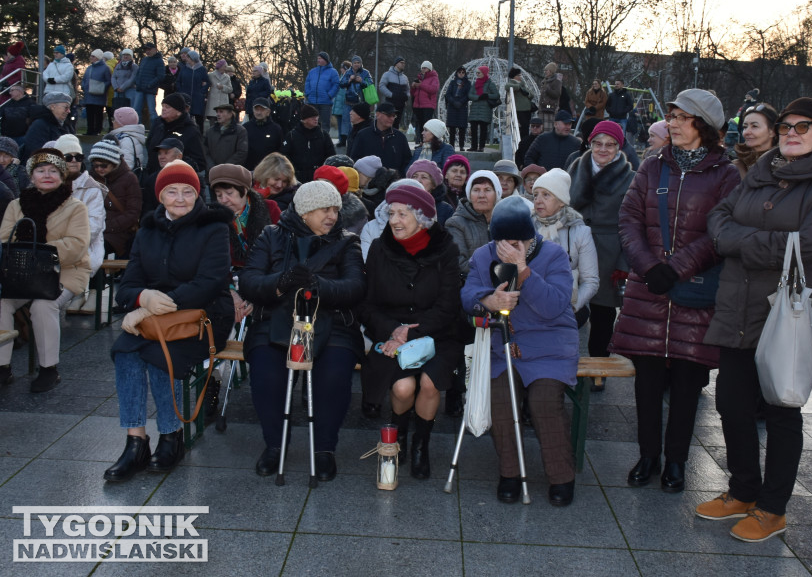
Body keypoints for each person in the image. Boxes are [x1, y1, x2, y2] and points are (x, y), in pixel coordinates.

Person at [698, 97, 812, 542]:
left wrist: (740, 242)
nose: (791, 133)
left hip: (787, 308)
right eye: (786, 126)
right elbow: (717, 218)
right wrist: (760, 240)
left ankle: (773, 508)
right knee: (731, 401)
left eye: (804, 127)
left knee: (782, 408)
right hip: (738, 303)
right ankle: (743, 490)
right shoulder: (763, 170)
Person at [609, 89, 740, 494]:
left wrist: (677, 268)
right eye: (672, 115)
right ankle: (648, 455)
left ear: (704, 125)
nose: (673, 123)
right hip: (649, 289)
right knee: (646, 381)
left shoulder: (726, 174)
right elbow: (628, 219)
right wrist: (649, 267)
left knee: (687, 382)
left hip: (696, 291)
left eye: (683, 117)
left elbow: (722, 231)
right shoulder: (651, 167)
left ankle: (677, 461)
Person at [104, 159, 233, 481]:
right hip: (155, 318)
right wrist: (141, 299)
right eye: (171, 191)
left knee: (159, 356)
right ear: (160, 196)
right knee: (125, 354)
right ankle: (136, 441)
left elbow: (211, 281)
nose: (179, 198)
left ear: (197, 194)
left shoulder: (214, 227)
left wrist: (155, 307)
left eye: (187, 191)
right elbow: (129, 283)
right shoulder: (148, 230)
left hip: (203, 315)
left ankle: (171, 436)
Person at [238, 180, 366, 481]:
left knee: (333, 375)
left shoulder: (347, 241)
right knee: (267, 374)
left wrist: (319, 286)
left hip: (332, 323)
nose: (332, 216)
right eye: (325, 209)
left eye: (335, 209)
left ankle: (324, 448)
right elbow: (249, 281)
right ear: (304, 211)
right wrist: (281, 282)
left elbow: (356, 286)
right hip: (274, 320)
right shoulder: (271, 235)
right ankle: (274, 444)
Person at [461, 196, 579, 506]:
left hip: (549, 344)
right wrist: (488, 301)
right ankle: (510, 473)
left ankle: (561, 476)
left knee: (543, 401)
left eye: (521, 241)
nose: (513, 246)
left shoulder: (554, 255)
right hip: (503, 346)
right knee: (500, 399)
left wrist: (523, 270)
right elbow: (468, 295)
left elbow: (555, 305)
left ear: (532, 236)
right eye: (505, 241)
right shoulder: (482, 256)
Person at [361, 184, 461, 478]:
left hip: (438, 334)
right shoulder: (380, 248)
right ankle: (400, 435)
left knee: (430, 384)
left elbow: (449, 305)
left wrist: (410, 333)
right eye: (391, 213)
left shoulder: (446, 249)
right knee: (403, 388)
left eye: (403, 214)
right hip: (390, 334)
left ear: (422, 218)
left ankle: (421, 443)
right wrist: (393, 330)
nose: (394, 221)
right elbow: (366, 304)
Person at [0, 149, 90, 392]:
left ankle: (49, 369)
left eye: (53, 171)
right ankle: (3, 367)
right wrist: (30, 252)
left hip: (66, 271)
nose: (47, 175)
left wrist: (40, 250)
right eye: (40, 171)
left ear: (62, 175)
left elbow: (77, 245)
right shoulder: (17, 205)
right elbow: (4, 238)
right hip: (24, 272)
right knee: (1, 302)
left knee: (43, 305)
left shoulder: (75, 206)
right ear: (31, 176)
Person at [567, 121, 635, 365]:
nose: (603, 149)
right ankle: (563, 361)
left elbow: (633, 225)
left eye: (610, 144)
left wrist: (624, 262)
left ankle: (599, 365)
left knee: (603, 312)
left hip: (609, 251)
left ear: (619, 147)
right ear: (590, 143)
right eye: (598, 143)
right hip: (574, 244)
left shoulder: (631, 178)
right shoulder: (575, 167)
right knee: (568, 304)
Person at [531, 168, 599, 356]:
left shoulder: (580, 232)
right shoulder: (525, 227)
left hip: (569, 307)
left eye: (546, 195)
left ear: (561, 202)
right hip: (529, 307)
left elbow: (591, 280)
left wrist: (570, 308)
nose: (538, 200)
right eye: (535, 194)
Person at [209, 163, 280, 271]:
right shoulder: (213, 219)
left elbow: (283, 245)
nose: (223, 200)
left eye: (229, 193)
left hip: (268, 274)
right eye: (219, 195)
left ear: (244, 190)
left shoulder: (270, 208)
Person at [55, 135, 107, 280]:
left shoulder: (92, 189)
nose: (73, 161)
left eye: (78, 157)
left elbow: (93, 228)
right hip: (51, 252)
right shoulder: (48, 185)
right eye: (68, 157)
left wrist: (64, 245)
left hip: (83, 252)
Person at [88, 140, 142, 260]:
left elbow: (133, 213)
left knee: (94, 249)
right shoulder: (91, 178)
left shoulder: (129, 179)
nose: (99, 169)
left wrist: (105, 226)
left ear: (113, 163)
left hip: (119, 232)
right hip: (95, 229)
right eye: (95, 165)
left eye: (103, 165)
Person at [446, 170, 501, 277]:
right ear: (469, 195)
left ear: (497, 194)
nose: (481, 195)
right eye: (476, 190)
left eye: (487, 190)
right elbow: (459, 264)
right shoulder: (455, 224)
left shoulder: (506, 221)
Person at [144, 93, 206, 176]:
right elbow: (149, 145)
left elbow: (199, 162)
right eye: (163, 106)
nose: (163, 109)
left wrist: (176, 166)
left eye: (168, 107)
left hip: (176, 179)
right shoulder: (158, 124)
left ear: (179, 111)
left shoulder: (191, 131)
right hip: (153, 177)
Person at [348, 102, 411, 174]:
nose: (392, 118)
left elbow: (407, 161)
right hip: (368, 181)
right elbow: (354, 159)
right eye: (389, 115)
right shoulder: (363, 135)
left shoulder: (400, 137)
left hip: (393, 181)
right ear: (378, 114)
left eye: (394, 116)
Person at [280, 104, 336, 183]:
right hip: (297, 177)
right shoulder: (292, 136)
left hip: (319, 177)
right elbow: (284, 156)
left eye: (317, 117)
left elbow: (331, 155)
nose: (316, 119)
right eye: (312, 117)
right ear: (304, 120)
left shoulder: (323, 135)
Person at [313, 165, 365, 234]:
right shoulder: (308, 207)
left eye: (326, 183)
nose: (321, 186)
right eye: (317, 182)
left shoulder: (354, 213)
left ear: (337, 187)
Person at [22, 91, 71, 161]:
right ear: (52, 107)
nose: (69, 111)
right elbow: (36, 151)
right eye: (66, 107)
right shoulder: (39, 125)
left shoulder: (64, 125)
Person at [733, 103, 779, 179]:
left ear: (772, 131)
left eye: (754, 126)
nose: (746, 132)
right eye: (745, 127)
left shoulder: (785, 167)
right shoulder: (736, 168)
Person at [140, 138, 183, 216]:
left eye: (166, 153)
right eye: (159, 153)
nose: (161, 157)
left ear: (179, 156)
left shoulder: (191, 178)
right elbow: (147, 211)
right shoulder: (152, 180)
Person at [336, 56, 372, 145]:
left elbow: (370, 83)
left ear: (361, 64)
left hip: (361, 101)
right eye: (355, 63)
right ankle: (345, 139)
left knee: (361, 120)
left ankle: (360, 138)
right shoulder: (348, 72)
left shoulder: (366, 72)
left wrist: (362, 81)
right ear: (352, 64)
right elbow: (341, 84)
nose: (356, 64)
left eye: (358, 63)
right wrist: (349, 80)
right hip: (349, 100)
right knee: (346, 120)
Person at [407, 159, 455, 226]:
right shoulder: (401, 204)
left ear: (433, 185)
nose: (418, 181)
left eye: (424, 177)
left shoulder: (445, 209)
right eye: (414, 176)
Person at [303, 51, 340, 134]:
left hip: (325, 102)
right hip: (312, 102)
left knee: (325, 123)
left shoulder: (333, 72)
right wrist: (308, 93)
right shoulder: (312, 71)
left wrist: (330, 95)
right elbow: (307, 83)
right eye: (318, 58)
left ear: (325, 60)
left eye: (320, 58)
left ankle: (324, 140)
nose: (318, 60)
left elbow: (336, 85)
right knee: (312, 122)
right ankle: (313, 139)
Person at [242, 97, 284, 171]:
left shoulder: (276, 129)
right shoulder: (245, 128)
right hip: (248, 170)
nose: (259, 112)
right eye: (256, 109)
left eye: (262, 109)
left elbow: (280, 151)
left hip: (269, 170)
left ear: (268, 112)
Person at [203, 104, 249, 169]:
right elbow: (205, 151)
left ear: (230, 114)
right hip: (212, 173)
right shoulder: (210, 131)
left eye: (221, 112)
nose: (218, 114)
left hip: (231, 172)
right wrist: (211, 166)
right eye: (217, 112)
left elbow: (241, 152)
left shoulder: (240, 131)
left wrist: (225, 167)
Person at [467, 66, 499, 152]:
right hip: (474, 110)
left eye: (479, 73)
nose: (477, 74)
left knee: (483, 130)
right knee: (473, 129)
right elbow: (470, 95)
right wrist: (478, 97)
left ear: (484, 73)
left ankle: (481, 146)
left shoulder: (490, 84)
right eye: (476, 73)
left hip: (485, 110)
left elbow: (496, 95)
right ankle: (473, 146)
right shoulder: (475, 84)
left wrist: (487, 95)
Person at [176, 50, 210, 131]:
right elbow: (178, 81)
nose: (186, 58)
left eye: (188, 57)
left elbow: (207, 82)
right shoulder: (184, 68)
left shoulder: (202, 69)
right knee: (185, 118)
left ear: (193, 58)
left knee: (199, 119)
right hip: (185, 97)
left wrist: (201, 92)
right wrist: (181, 91)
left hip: (197, 98)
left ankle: (199, 137)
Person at [82, 49, 112, 135]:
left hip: (99, 95)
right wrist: (83, 86)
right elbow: (84, 79)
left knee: (98, 113)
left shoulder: (105, 68)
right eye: (91, 56)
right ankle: (89, 130)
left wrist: (101, 87)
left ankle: (97, 130)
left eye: (93, 56)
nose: (91, 58)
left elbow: (108, 81)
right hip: (88, 95)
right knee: (89, 113)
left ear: (98, 58)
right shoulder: (89, 68)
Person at [134, 42, 164, 122]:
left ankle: (154, 131)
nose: (147, 51)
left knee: (152, 111)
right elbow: (138, 72)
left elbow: (160, 76)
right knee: (136, 110)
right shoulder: (144, 59)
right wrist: (136, 82)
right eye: (146, 49)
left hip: (150, 90)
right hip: (140, 88)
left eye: (149, 49)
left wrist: (150, 84)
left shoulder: (159, 61)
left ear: (155, 49)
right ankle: (137, 129)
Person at [411, 61, 439, 143]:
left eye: (425, 68)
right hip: (418, 105)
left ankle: (428, 141)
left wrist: (421, 85)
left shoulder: (434, 78)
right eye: (422, 68)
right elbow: (413, 93)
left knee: (427, 125)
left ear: (429, 69)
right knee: (419, 124)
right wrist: (413, 87)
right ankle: (420, 141)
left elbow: (433, 89)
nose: (423, 69)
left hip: (428, 105)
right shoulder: (419, 78)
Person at [378, 57, 410, 129]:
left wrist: (406, 96)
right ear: (396, 64)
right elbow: (381, 86)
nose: (403, 64)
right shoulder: (387, 74)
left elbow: (408, 89)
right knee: (389, 123)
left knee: (397, 124)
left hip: (401, 104)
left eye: (404, 63)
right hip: (390, 103)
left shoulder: (405, 77)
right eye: (401, 63)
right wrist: (391, 95)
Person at [506, 68, 534, 147]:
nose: (520, 76)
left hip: (527, 110)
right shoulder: (511, 83)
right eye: (518, 75)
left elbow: (531, 94)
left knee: (526, 127)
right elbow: (508, 87)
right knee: (522, 127)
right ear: (514, 76)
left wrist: (527, 93)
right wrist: (519, 85)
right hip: (519, 110)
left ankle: (525, 143)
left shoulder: (523, 85)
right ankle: (521, 143)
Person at [445, 66, 471, 150]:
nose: (461, 74)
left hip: (462, 106)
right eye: (459, 72)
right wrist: (453, 101)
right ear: (457, 73)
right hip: (452, 106)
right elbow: (448, 94)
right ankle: (451, 145)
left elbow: (468, 95)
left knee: (462, 128)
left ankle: (461, 145)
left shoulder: (467, 83)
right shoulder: (452, 82)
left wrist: (461, 102)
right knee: (452, 127)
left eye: (463, 72)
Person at [111, 49, 139, 114]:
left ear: (131, 57)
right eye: (124, 55)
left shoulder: (134, 67)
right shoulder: (118, 66)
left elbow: (132, 78)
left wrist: (122, 87)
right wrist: (116, 87)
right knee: (118, 110)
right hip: (117, 91)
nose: (125, 56)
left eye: (128, 55)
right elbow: (113, 77)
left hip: (130, 91)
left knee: (130, 109)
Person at [0, 41, 26, 106]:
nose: (7, 53)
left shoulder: (18, 61)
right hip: (5, 85)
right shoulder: (10, 61)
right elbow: (4, 73)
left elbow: (19, 75)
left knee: (6, 103)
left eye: (8, 52)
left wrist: (9, 82)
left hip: (11, 86)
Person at [538, 62, 561, 132]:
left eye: (546, 70)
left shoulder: (556, 81)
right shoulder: (544, 81)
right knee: (541, 129)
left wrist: (547, 89)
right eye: (545, 70)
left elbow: (557, 94)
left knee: (548, 130)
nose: (545, 72)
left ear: (551, 71)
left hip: (550, 108)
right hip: (542, 108)